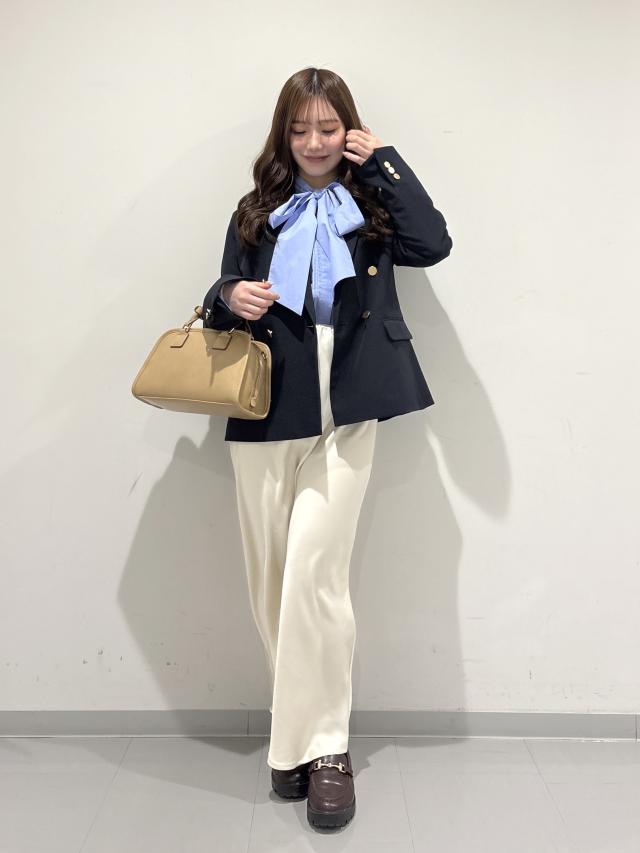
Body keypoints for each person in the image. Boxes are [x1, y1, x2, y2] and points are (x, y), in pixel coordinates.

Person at [201, 67, 453, 830]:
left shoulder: (372, 203)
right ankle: (299, 738)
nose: (314, 142)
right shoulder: (256, 210)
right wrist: (229, 296)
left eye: (328, 127)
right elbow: (221, 291)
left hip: (350, 402)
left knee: (317, 575)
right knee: (271, 582)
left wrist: (384, 162)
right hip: (269, 403)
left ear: (349, 129)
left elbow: (432, 244)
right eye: (300, 128)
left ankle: (325, 751)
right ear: (284, 135)